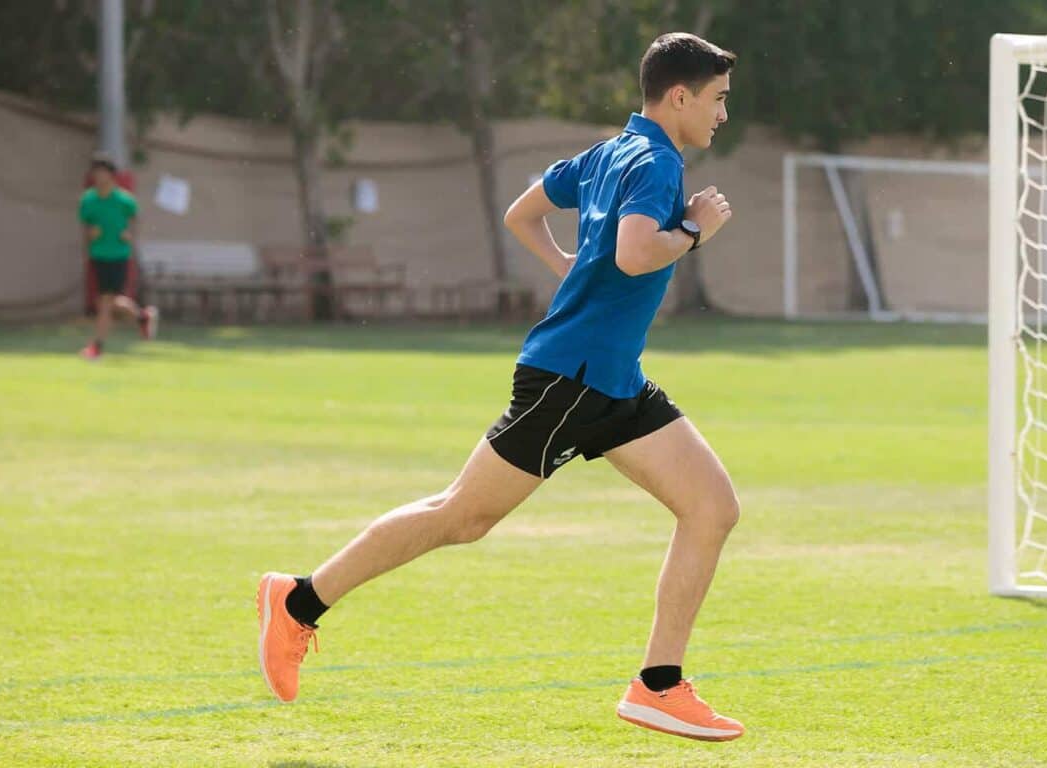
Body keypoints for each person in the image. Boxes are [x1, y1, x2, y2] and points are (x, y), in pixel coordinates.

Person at [255, 33, 743, 741]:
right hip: (573, 379)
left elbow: (522, 213)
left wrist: (573, 270)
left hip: (612, 379)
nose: (722, 114)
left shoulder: (608, 153)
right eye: (718, 99)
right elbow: (637, 253)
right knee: (461, 516)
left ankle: (657, 684)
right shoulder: (659, 162)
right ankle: (298, 601)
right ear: (679, 97)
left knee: (712, 507)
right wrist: (696, 230)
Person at [79, 152, 157, 360]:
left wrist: (129, 234)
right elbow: (85, 228)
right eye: (96, 172)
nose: (99, 176)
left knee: (105, 302)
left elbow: (135, 222)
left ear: (111, 175)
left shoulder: (124, 200)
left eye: (103, 172)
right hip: (98, 254)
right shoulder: (88, 200)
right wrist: (90, 235)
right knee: (111, 301)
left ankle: (97, 347)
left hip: (119, 255)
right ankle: (142, 317)